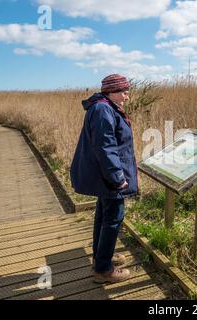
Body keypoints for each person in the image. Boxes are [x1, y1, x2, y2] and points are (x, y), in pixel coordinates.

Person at [70, 74, 139, 283]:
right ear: (112, 91)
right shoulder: (103, 109)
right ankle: (103, 270)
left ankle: (102, 256)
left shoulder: (104, 107)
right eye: (124, 92)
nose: (127, 96)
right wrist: (118, 178)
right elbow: (106, 147)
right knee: (113, 217)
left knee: (103, 214)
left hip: (104, 176)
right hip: (108, 177)